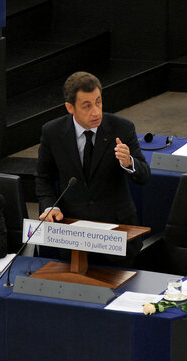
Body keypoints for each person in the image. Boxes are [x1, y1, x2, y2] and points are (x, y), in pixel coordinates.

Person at [35, 71, 150, 261]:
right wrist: (49, 207)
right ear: (70, 108)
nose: (96, 111)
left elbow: (144, 176)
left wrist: (129, 163)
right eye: (87, 106)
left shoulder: (122, 128)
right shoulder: (52, 132)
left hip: (116, 233)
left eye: (98, 102)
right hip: (73, 234)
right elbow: (43, 177)